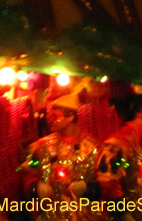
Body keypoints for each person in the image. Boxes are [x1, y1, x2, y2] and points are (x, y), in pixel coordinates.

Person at [21, 91, 101, 221]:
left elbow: (107, 182)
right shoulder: (42, 146)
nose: (51, 120)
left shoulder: (93, 147)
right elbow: (27, 172)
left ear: (70, 117)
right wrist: (36, 187)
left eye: (56, 116)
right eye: (50, 116)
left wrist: (88, 187)